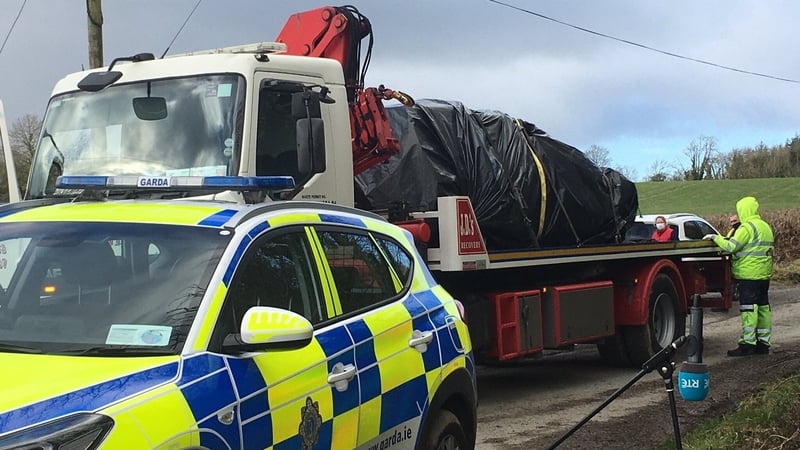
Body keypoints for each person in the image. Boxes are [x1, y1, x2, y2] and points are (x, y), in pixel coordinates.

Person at [704, 196, 774, 356]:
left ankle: (747, 344)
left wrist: (715, 238)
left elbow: (731, 246)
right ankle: (763, 343)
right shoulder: (765, 226)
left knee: (749, 309)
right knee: (763, 309)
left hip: (748, 275)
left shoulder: (747, 227)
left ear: (744, 210)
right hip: (764, 274)